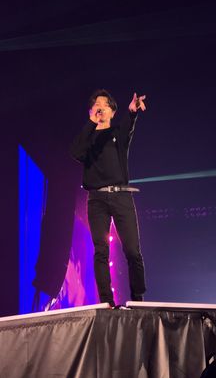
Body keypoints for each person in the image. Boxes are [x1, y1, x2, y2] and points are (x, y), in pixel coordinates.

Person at [70, 89, 146, 307]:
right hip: (97, 200)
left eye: (104, 105)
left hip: (121, 196)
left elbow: (128, 127)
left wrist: (132, 113)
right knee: (100, 251)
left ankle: (138, 297)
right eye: (96, 105)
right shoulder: (88, 140)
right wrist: (91, 124)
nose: (100, 107)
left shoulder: (117, 135)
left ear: (112, 111)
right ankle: (106, 301)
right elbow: (75, 152)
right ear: (91, 112)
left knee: (132, 250)